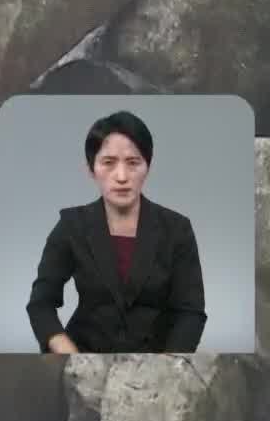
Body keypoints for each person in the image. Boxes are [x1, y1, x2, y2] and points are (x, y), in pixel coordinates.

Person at [27, 110, 206, 354]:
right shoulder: (71, 226)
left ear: (148, 167)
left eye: (133, 163)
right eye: (108, 163)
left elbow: (191, 312)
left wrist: (168, 366)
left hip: (157, 360)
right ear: (91, 169)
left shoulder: (177, 229)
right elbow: (41, 303)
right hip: (84, 355)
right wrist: (68, 354)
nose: (121, 177)